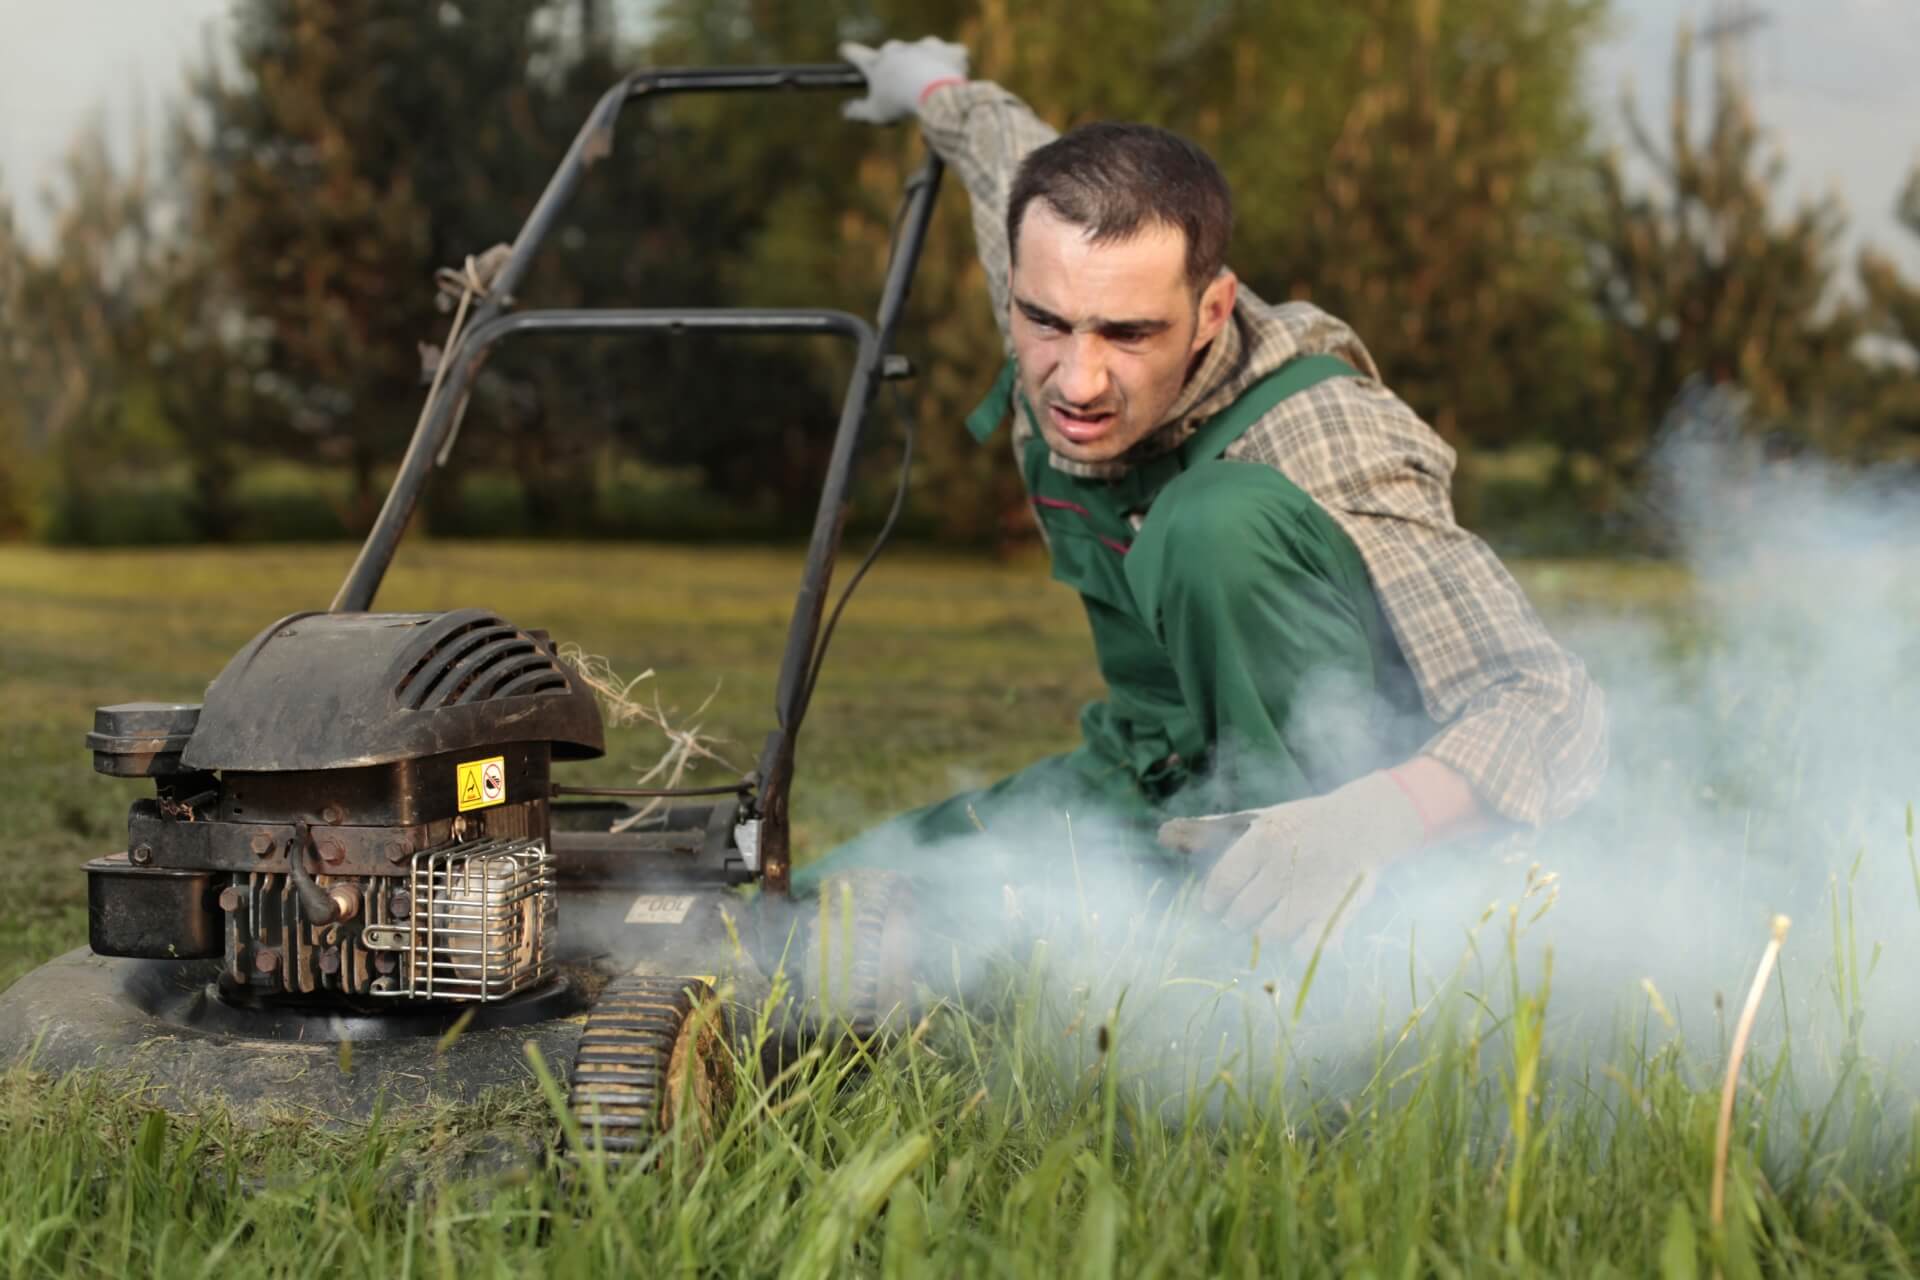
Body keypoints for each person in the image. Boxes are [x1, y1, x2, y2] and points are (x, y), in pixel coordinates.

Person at [797, 37, 1607, 949]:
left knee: (1213, 522)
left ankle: (1305, 956)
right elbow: (1002, 158)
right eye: (1045, 323)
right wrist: (934, 87)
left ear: (1212, 312)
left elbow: (1550, 707)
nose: (1076, 380)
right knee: (818, 919)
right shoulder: (1054, 269)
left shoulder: (1324, 434)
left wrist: (1363, 826)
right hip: (1143, 775)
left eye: (1129, 334)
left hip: (1342, 829)